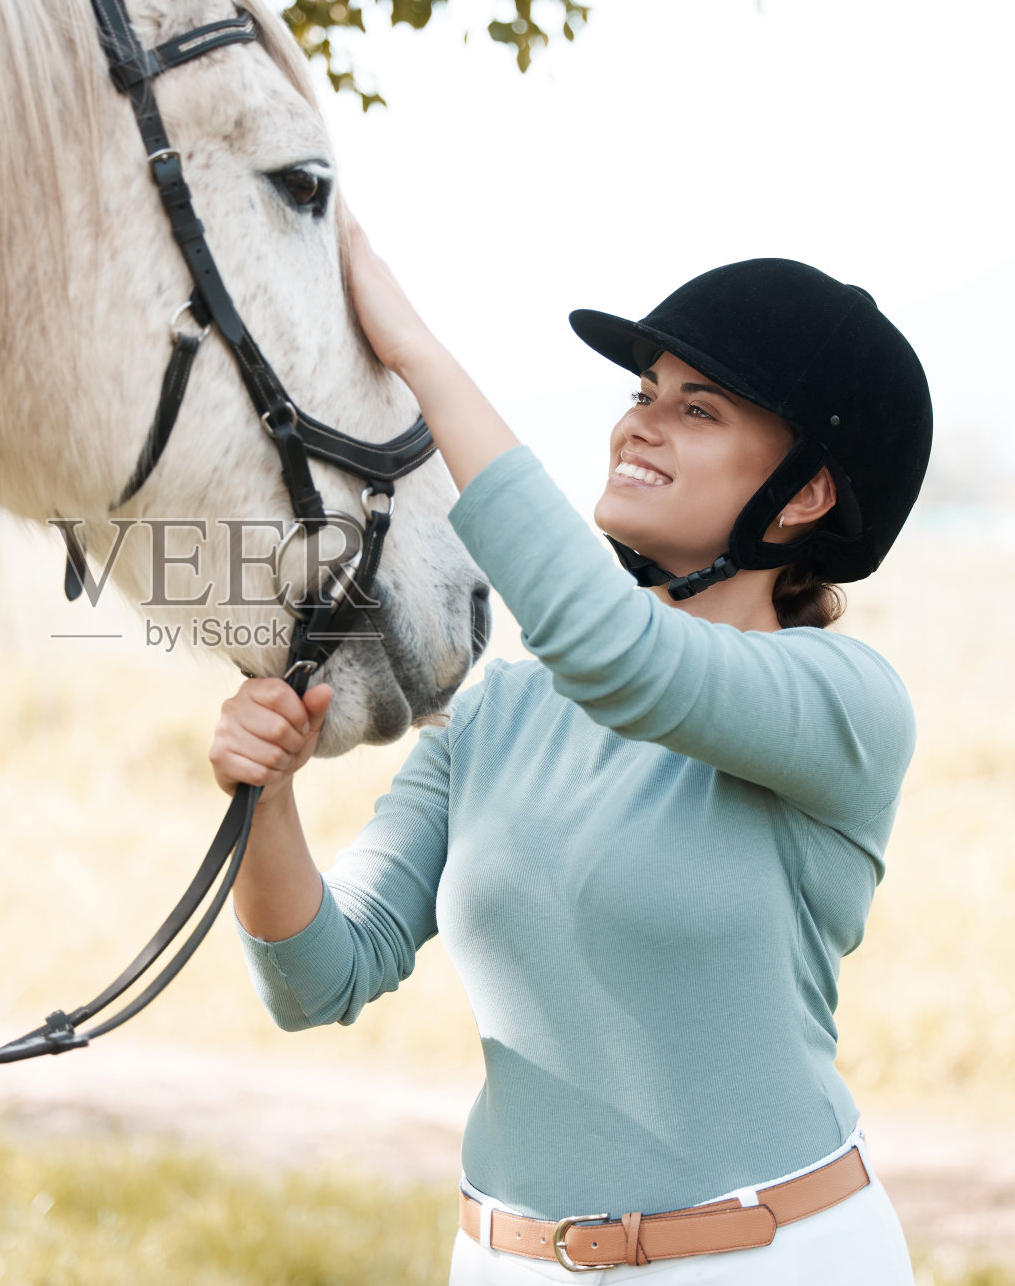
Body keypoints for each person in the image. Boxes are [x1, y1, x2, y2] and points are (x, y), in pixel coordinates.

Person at [208, 215, 933, 1283]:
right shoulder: (497, 715)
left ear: (807, 494)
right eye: (642, 393)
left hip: (771, 1257)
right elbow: (317, 978)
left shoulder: (845, 703)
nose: (639, 424)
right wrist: (264, 794)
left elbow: (620, 655)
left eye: (698, 408)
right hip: (505, 1260)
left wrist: (414, 355)